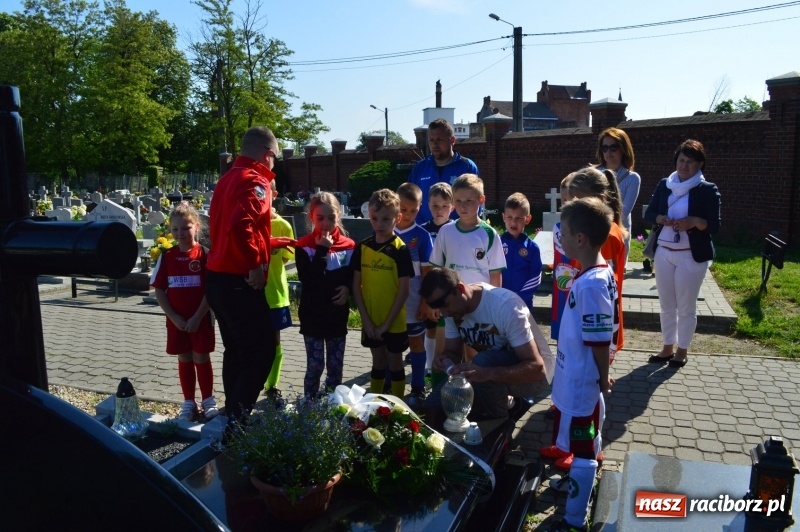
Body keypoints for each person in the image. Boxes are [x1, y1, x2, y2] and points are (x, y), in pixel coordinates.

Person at [205, 126, 293, 431]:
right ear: (267, 154)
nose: (274, 166)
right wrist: (256, 264)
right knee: (262, 351)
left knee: (237, 350)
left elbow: (240, 230)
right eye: (275, 159)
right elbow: (241, 225)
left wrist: (276, 244)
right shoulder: (255, 181)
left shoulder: (227, 178)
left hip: (217, 278)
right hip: (238, 281)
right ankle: (239, 424)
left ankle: (232, 411)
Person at [543, 197, 616, 532]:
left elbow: (599, 340)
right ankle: (579, 482)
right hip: (574, 375)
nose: (560, 238)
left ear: (581, 239)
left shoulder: (592, 284)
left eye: (564, 232)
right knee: (582, 437)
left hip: (582, 381)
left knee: (583, 443)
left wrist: (602, 379)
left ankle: (575, 518)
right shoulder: (595, 275)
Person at [420, 267, 547, 419]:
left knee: (482, 363)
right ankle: (496, 405)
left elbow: (538, 368)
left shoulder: (505, 306)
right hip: (492, 369)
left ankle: (500, 426)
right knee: (431, 407)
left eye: (443, 304)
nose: (443, 313)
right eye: (436, 306)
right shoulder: (453, 311)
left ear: (459, 289)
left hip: (535, 377)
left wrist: (488, 374)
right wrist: (445, 359)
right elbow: (453, 353)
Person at [645, 139, 721, 368]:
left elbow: (715, 226)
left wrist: (695, 222)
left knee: (686, 306)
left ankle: (682, 350)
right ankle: (667, 347)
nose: (684, 165)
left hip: (690, 255)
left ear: (700, 165)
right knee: (667, 305)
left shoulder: (707, 190)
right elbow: (650, 213)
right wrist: (661, 218)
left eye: (690, 162)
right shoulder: (664, 184)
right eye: (681, 160)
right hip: (664, 253)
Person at [151, 202, 218, 422]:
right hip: (177, 322)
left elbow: (211, 290)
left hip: (201, 319)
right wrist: (174, 317)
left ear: (196, 227)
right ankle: (189, 402)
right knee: (184, 357)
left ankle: (208, 400)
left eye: (185, 228)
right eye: (175, 229)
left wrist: (198, 317)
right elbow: (159, 290)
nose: (180, 234)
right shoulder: (167, 256)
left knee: (201, 356)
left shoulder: (205, 255)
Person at [352, 189, 413, 397]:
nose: (379, 223)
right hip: (371, 320)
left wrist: (387, 324)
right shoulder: (363, 248)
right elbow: (355, 287)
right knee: (377, 362)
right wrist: (366, 321)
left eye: (386, 218)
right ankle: (372, 407)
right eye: (374, 218)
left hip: (393, 323)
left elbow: (404, 291)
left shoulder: (400, 250)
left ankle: (399, 408)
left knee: (395, 365)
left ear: (398, 218)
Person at [295, 192, 355, 398]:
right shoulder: (304, 246)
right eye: (320, 218)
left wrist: (348, 288)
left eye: (331, 218)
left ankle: (333, 405)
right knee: (315, 365)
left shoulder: (349, 246)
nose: (326, 223)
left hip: (336, 315)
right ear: (311, 217)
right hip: (312, 315)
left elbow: (354, 276)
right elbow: (309, 280)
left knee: (335, 366)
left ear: (339, 215)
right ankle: (310, 406)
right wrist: (321, 250)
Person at [567, 167, 627, 363]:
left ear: (599, 200)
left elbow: (599, 286)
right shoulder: (600, 230)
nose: (573, 205)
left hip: (598, 322)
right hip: (594, 318)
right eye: (571, 200)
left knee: (592, 378)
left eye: (579, 201)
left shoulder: (605, 236)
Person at [394, 182, 434, 400]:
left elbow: (428, 273)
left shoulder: (422, 236)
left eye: (413, 210)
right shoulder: (385, 230)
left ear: (420, 207)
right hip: (390, 302)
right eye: (402, 209)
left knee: (416, 343)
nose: (407, 214)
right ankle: (392, 386)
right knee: (393, 346)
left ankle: (418, 387)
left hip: (413, 301)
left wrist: (425, 302)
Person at [429, 174, 505, 287]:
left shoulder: (489, 234)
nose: (463, 206)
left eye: (469, 200)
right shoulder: (445, 231)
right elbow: (436, 269)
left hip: (481, 300)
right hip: (452, 299)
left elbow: (495, 274)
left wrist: (493, 302)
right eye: (458, 201)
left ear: (481, 200)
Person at [409, 118, 479, 222]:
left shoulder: (466, 166)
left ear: (452, 140)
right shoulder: (420, 168)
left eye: (440, 139)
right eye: (431, 140)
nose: (435, 144)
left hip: (457, 233)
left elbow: (476, 200)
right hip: (425, 232)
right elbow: (409, 200)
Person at [262, 180, 294, 405]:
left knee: (274, 340)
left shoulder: (282, 226)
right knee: (254, 342)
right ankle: (255, 381)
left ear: (274, 193)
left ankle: (272, 384)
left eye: (267, 191)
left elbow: (284, 259)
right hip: (253, 296)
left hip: (275, 294)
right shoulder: (249, 223)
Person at [420, 182, 454, 378]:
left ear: (452, 207)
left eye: (444, 206)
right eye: (435, 205)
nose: (439, 210)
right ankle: (429, 366)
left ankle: (449, 367)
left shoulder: (455, 230)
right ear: (428, 205)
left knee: (450, 331)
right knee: (431, 329)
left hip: (450, 291)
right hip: (431, 290)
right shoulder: (424, 231)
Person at [595, 127, 641, 264]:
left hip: (617, 235)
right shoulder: (593, 174)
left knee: (616, 281)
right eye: (605, 148)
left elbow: (623, 213)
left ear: (623, 149)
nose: (608, 152)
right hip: (594, 236)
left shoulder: (632, 178)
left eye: (613, 147)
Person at [501, 192, 542, 314]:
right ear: (503, 217)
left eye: (518, 218)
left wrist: (520, 296)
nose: (513, 223)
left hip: (523, 303)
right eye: (509, 217)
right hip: (500, 301)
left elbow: (536, 276)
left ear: (527, 219)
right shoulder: (497, 244)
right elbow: (491, 271)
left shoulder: (532, 248)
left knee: (523, 332)